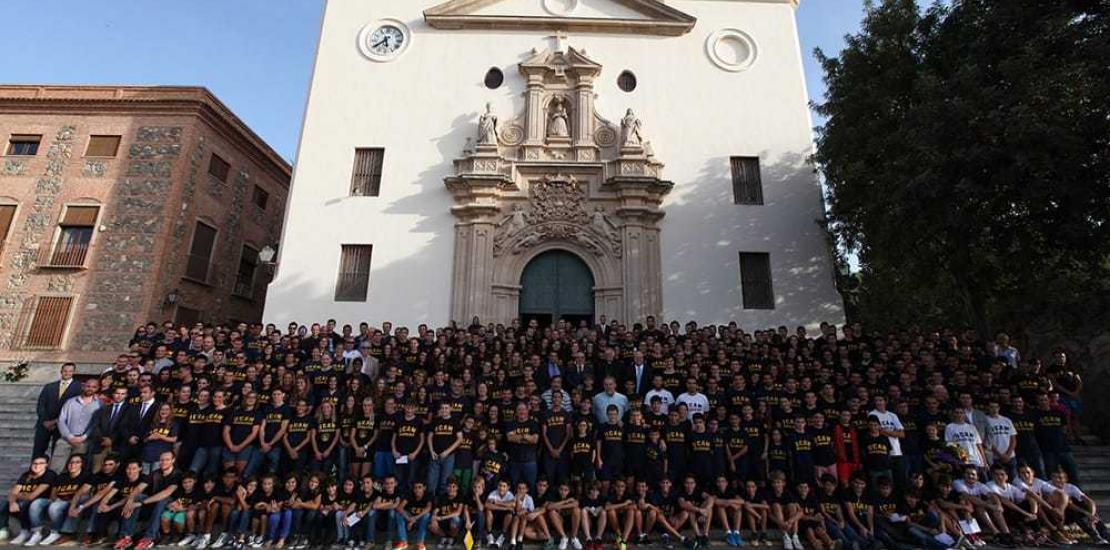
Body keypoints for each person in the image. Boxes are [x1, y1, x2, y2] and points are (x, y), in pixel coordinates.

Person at [0, 455, 55, 545]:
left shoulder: (49, 475)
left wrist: (19, 495)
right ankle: (3, 530)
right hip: (26, 501)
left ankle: (31, 531)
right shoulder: (26, 475)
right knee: (3, 504)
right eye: (35, 463)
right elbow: (13, 492)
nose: (37, 465)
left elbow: (32, 496)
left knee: (26, 503)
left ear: (46, 465)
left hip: (43, 502)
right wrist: (12, 502)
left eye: (41, 463)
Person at [53, 378, 102, 473]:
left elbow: (96, 424)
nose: (90, 389)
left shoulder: (99, 404)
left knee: (76, 469)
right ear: (83, 386)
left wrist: (84, 437)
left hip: (84, 441)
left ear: (97, 388)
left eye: (94, 387)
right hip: (66, 439)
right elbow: (61, 420)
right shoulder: (70, 402)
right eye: (88, 386)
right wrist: (69, 436)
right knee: (56, 467)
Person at [34, 364, 82, 460]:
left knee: (57, 452)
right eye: (65, 370)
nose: (67, 373)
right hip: (44, 424)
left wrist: (56, 421)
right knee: (38, 450)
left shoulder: (79, 388)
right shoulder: (49, 387)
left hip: (64, 425)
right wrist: (45, 420)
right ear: (61, 371)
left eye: (70, 371)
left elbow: (76, 408)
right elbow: (41, 405)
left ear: (73, 372)